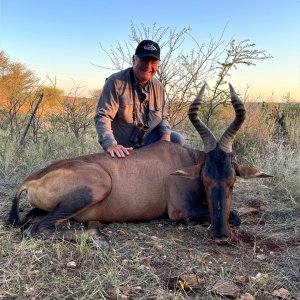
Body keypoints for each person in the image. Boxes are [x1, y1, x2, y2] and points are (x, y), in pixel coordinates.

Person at [94, 40, 185, 158]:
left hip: (148, 140)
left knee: (177, 139)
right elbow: (103, 116)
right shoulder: (115, 82)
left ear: (158, 64)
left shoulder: (159, 87)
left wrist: (165, 136)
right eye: (144, 60)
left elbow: (163, 116)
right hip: (124, 144)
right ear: (134, 59)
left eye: (153, 62)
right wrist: (110, 144)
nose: (148, 66)